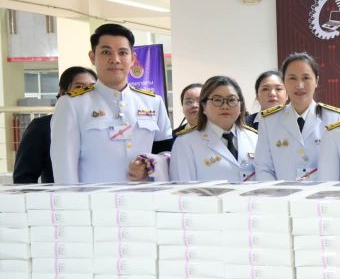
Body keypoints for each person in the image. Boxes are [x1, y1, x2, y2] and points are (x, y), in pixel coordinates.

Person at [51, 23, 172, 184]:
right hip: (96, 198)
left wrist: (150, 164)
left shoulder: (153, 102)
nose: (115, 60)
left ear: (132, 58)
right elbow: (64, 167)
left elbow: (167, 152)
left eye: (122, 53)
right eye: (106, 52)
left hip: (144, 197)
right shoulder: (72, 104)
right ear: (92, 57)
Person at [254, 52, 340, 181]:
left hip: (323, 193)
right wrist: (277, 193)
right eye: (292, 78)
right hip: (282, 193)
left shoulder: (333, 118)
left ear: (316, 81)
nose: (300, 85)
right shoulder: (269, 120)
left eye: (306, 78)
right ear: (284, 82)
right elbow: (264, 168)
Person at [13, 66, 96, 184]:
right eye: (79, 87)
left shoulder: (101, 126)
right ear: (63, 92)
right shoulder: (42, 126)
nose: (86, 92)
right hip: (60, 194)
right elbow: (24, 177)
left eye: (92, 88)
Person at [170, 75, 258, 182]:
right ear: (203, 106)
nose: (225, 106)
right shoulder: (185, 142)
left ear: (241, 106)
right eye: (217, 100)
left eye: (232, 100)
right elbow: (183, 188)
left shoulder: (254, 138)